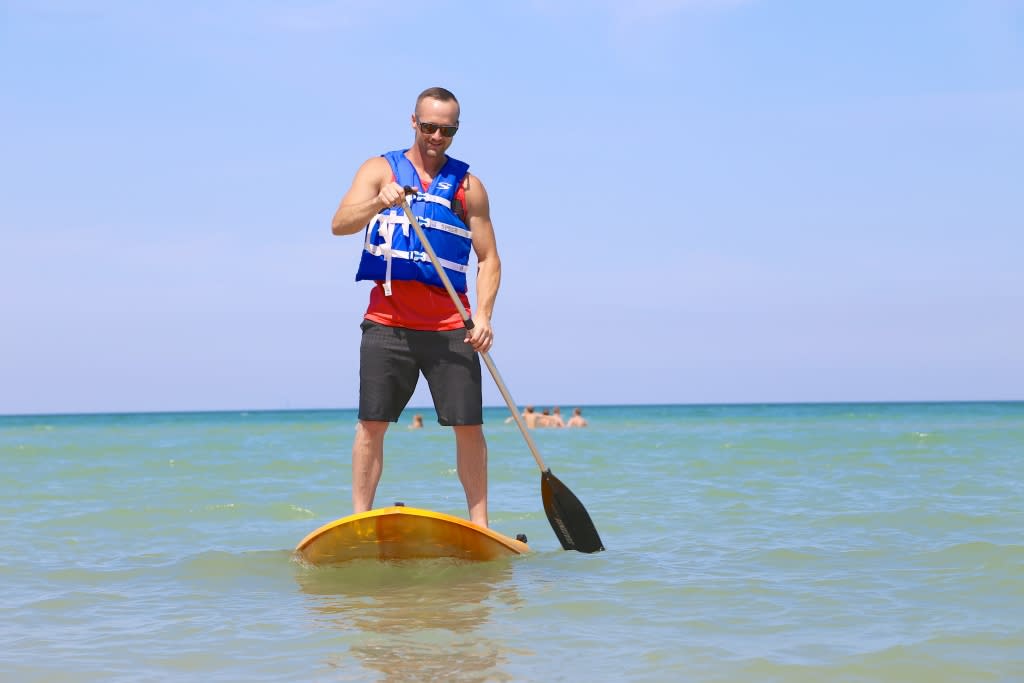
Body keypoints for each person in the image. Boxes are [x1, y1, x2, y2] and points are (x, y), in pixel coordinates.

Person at [330, 87, 500, 528]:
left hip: (451, 327)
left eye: (447, 130)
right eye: (429, 127)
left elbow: (489, 259)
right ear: (413, 122)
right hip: (388, 325)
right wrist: (377, 202)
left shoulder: (468, 187)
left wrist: (483, 316)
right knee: (371, 424)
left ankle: (480, 526)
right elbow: (339, 224)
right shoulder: (379, 169)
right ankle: (359, 521)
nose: (436, 137)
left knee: (469, 428)